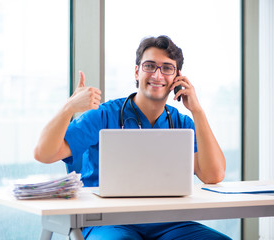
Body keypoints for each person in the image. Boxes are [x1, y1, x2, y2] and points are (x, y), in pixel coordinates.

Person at [34, 35, 231, 240]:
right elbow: (44, 154)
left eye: (167, 68)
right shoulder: (104, 115)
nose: (157, 74)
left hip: (169, 223)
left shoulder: (183, 124)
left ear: (177, 78)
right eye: (150, 66)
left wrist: (197, 111)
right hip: (107, 222)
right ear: (137, 71)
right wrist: (69, 108)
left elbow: (213, 175)